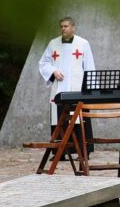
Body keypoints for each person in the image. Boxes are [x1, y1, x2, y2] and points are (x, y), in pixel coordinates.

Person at [38, 16, 95, 157]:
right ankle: (60, 153)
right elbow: (43, 63)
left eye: (66, 26)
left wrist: (90, 88)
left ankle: (84, 151)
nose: (63, 29)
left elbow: (89, 66)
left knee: (80, 119)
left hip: (78, 88)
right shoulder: (53, 44)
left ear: (73, 28)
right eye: (61, 26)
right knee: (59, 120)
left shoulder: (83, 44)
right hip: (59, 88)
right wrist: (53, 71)